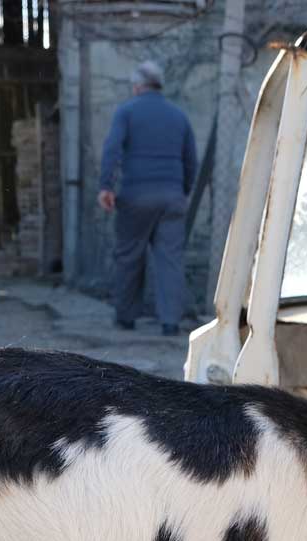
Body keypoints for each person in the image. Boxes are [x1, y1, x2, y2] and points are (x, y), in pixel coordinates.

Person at [98, 61, 198, 336]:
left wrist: (106, 186)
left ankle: (127, 318)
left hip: (136, 197)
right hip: (172, 197)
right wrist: (183, 191)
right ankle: (170, 323)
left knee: (130, 255)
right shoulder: (179, 116)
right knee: (170, 259)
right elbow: (191, 160)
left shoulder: (127, 112)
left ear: (137, 86)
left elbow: (112, 149)